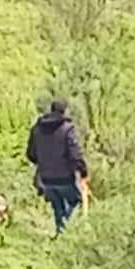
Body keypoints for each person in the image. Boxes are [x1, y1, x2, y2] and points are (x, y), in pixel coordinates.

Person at [25, 98, 88, 235]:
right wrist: (83, 171)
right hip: (65, 176)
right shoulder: (67, 129)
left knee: (58, 208)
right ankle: (68, 234)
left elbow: (30, 153)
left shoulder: (37, 128)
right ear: (64, 111)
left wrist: (43, 163)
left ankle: (61, 235)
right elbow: (75, 154)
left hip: (46, 178)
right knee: (75, 202)